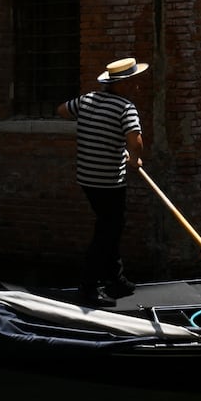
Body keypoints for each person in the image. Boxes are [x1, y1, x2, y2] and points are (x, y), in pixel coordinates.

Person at [57, 57, 148, 306]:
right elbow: (136, 141)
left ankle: (116, 279)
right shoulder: (125, 107)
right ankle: (88, 287)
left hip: (87, 177)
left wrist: (96, 131)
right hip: (109, 181)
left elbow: (62, 110)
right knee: (107, 231)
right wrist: (134, 159)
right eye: (133, 81)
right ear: (122, 84)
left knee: (110, 226)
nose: (137, 85)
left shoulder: (86, 100)